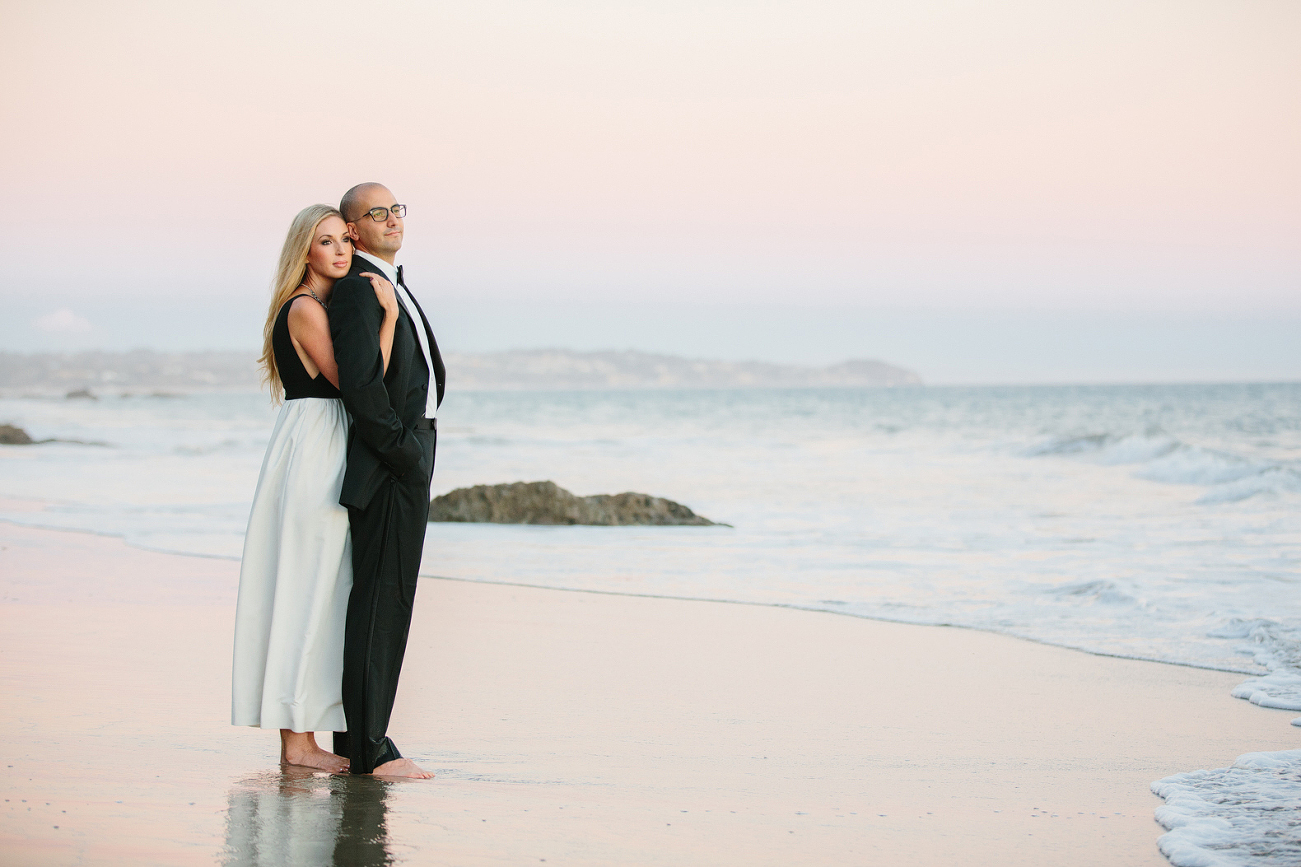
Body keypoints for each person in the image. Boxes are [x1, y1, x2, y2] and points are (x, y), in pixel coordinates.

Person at [231, 204, 399, 772]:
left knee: (317, 589)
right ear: (304, 251)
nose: (341, 250)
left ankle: (305, 738)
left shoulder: (313, 305)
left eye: (344, 240)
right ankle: (297, 746)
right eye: (326, 241)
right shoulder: (304, 308)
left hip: (315, 443)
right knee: (306, 588)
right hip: (316, 450)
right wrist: (390, 320)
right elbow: (358, 383)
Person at [329, 183, 444, 778]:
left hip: (408, 447)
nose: (393, 218)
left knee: (382, 597)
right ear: (353, 228)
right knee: (382, 601)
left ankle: (358, 740)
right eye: (378, 212)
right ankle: (369, 748)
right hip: (390, 457)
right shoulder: (356, 292)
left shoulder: (389, 284)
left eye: (398, 208)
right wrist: (403, 451)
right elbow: (361, 383)